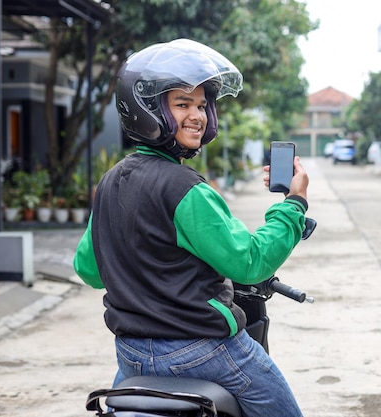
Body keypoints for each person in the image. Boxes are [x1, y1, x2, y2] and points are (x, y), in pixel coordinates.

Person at [73, 38, 308, 417]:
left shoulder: (110, 182)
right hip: (202, 352)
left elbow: (89, 270)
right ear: (147, 109)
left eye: (202, 105)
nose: (197, 115)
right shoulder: (186, 189)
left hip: (132, 355)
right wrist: (293, 206)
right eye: (182, 104)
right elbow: (249, 264)